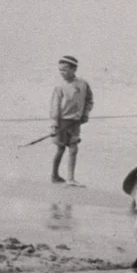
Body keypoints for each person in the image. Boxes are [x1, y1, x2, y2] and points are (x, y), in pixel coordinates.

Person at [49, 55, 94, 185]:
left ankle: (70, 178)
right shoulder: (60, 86)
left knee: (73, 149)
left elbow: (89, 100)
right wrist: (54, 125)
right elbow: (54, 107)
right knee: (61, 149)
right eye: (60, 70)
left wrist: (85, 114)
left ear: (74, 69)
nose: (61, 72)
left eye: (65, 70)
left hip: (76, 122)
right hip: (62, 122)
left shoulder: (83, 84)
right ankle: (54, 175)